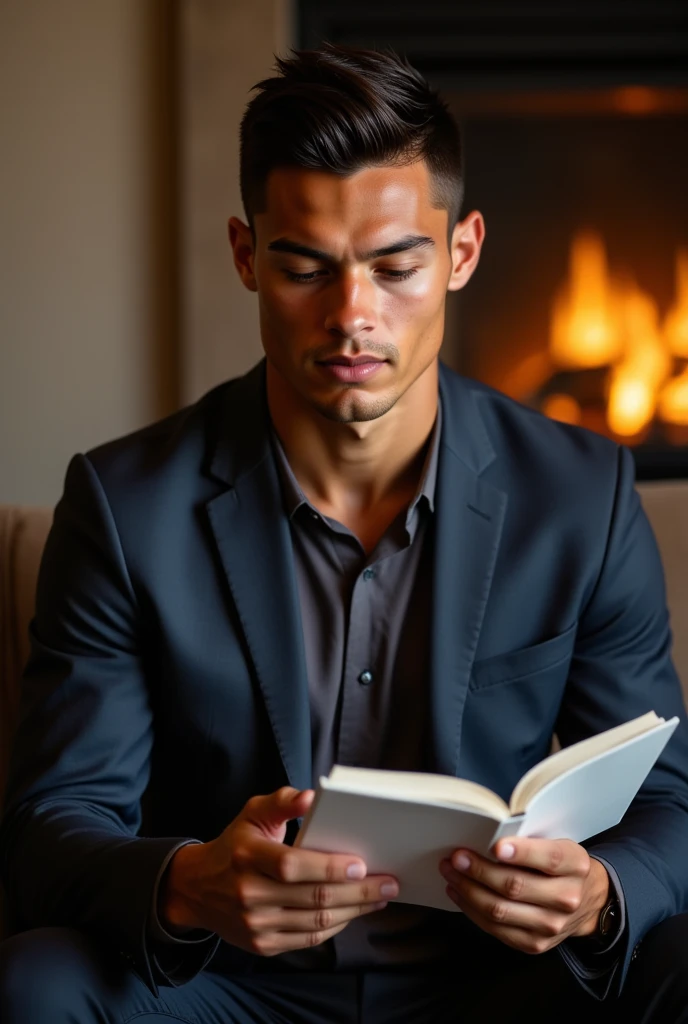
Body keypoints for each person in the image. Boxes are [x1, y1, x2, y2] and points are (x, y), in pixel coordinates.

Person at [1, 44, 687, 1024]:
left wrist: (597, 894)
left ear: (461, 253)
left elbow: (672, 805)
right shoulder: (122, 505)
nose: (352, 314)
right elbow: (47, 829)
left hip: (499, 982)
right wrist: (190, 882)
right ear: (245, 254)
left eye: (395, 266)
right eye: (304, 267)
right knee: (35, 982)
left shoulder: (581, 493)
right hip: (226, 987)